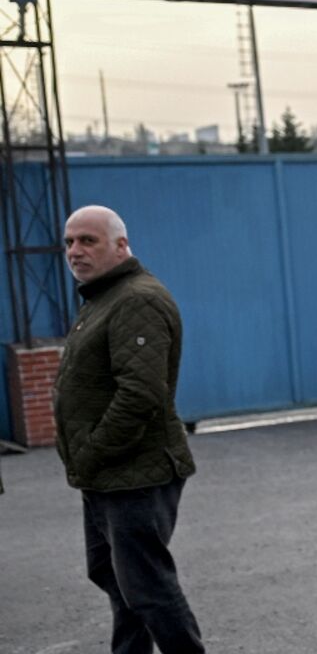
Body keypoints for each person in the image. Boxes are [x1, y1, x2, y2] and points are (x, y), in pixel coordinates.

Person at [55, 205, 204, 653]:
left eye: (88, 240)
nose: (75, 251)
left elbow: (140, 394)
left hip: (136, 471)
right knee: (117, 580)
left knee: (146, 587)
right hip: (106, 473)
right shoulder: (103, 298)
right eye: (69, 242)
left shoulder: (136, 300)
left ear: (121, 246)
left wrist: (91, 452)